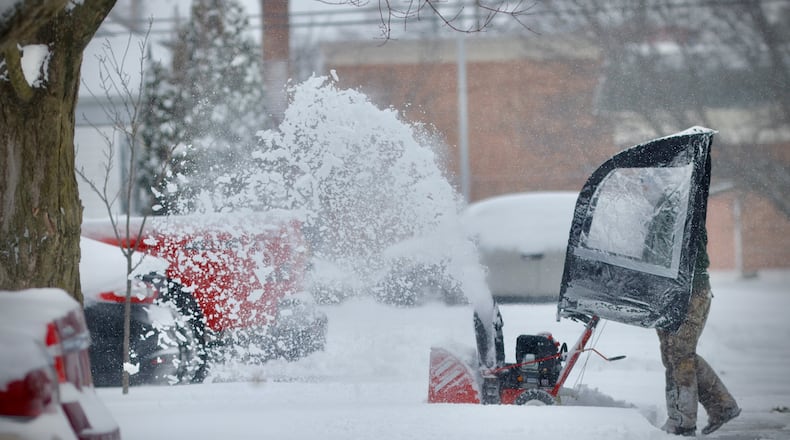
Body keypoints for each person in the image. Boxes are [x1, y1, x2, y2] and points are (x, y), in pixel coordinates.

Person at [657, 223, 740, 436]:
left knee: (679, 355)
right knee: (673, 355)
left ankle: (683, 423)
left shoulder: (684, 205)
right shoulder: (662, 205)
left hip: (690, 291)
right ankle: (721, 406)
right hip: (669, 291)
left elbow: (685, 252)